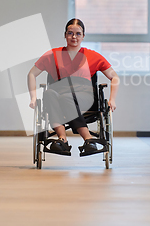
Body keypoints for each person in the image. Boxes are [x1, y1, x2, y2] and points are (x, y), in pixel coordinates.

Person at [27, 18, 119, 155]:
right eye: (70, 33)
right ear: (65, 35)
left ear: (83, 36)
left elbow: (114, 77)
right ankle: (62, 139)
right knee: (48, 94)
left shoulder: (93, 56)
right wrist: (33, 97)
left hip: (85, 97)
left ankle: (87, 138)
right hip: (59, 94)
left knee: (66, 97)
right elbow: (31, 74)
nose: (74, 37)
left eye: (78, 33)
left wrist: (112, 99)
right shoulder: (53, 54)